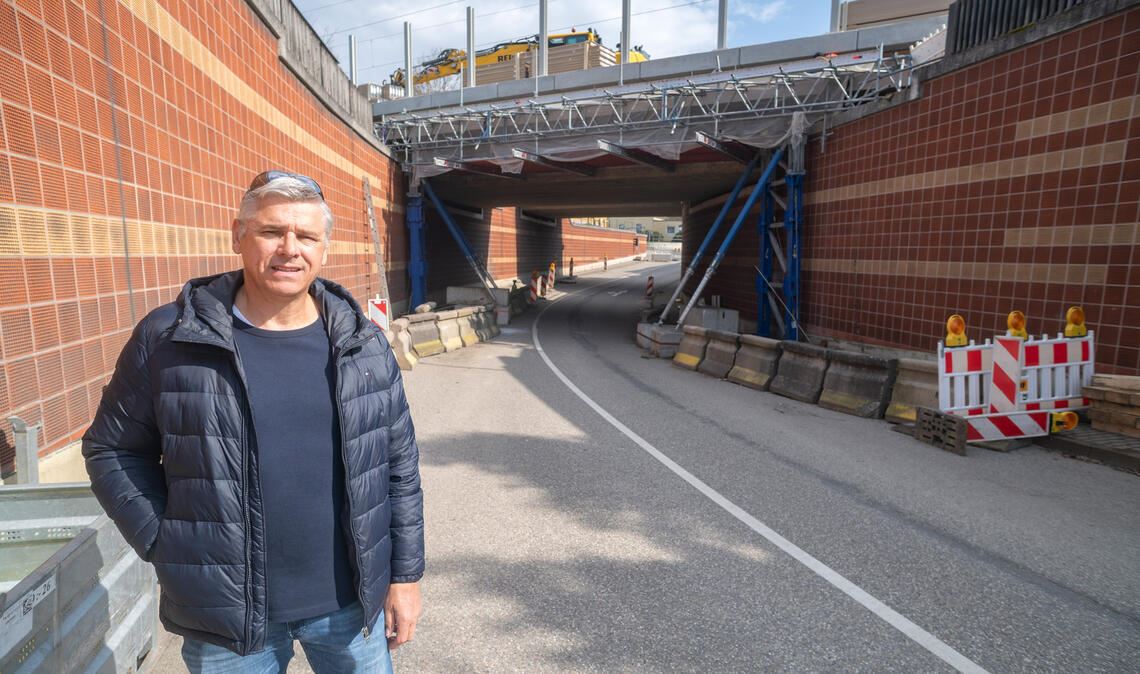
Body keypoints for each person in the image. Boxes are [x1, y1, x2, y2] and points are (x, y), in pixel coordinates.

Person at [83, 171, 424, 673]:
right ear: (238, 235)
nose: (290, 248)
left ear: (324, 248)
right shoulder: (170, 337)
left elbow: (398, 467)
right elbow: (112, 449)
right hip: (228, 618)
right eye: (271, 232)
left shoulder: (362, 345)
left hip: (350, 605)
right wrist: (165, 539)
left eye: (306, 236)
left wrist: (405, 576)